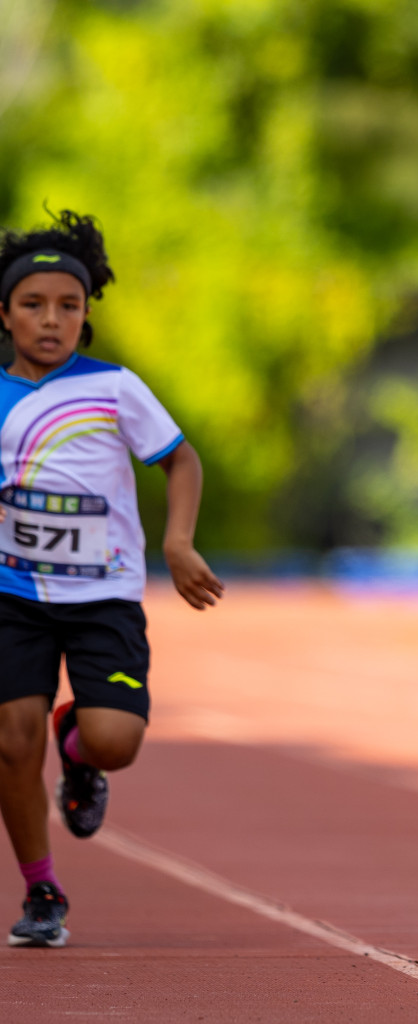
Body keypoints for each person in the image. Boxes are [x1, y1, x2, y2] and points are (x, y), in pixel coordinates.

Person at [0, 210, 224, 948]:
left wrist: (179, 541)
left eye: (69, 305)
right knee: (9, 739)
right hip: (14, 598)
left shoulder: (114, 387)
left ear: (87, 312)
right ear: (4, 313)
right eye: (34, 305)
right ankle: (42, 891)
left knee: (116, 740)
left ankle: (77, 745)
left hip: (104, 598)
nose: (52, 320)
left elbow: (181, 459)